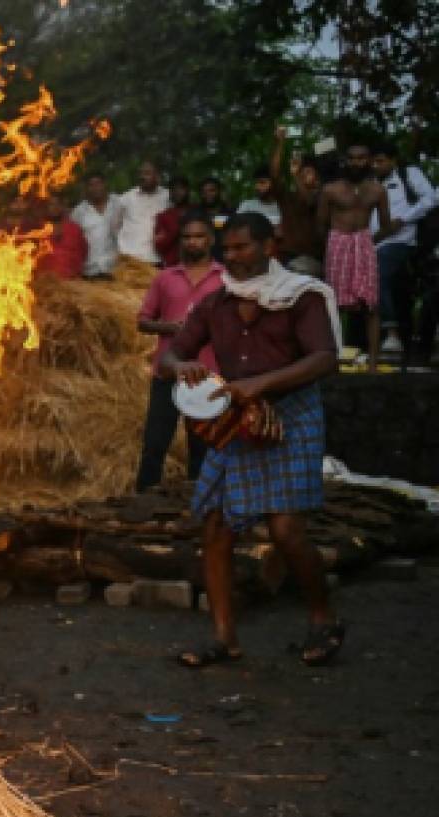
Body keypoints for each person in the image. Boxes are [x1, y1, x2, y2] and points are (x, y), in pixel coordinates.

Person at [162, 212, 343, 666]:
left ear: (269, 248)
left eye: (243, 247)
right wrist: (181, 367)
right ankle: (225, 639)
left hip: (291, 417)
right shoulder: (215, 304)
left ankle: (323, 619)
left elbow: (324, 359)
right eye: (229, 249)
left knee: (285, 529)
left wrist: (261, 386)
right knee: (217, 528)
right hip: (235, 419)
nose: (234, 256)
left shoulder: (301, 298)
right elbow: (172, 354)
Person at [134, 213, 223, 491]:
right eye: (187, 237)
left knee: (202, 447)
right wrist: (171, 327)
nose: (193, 242)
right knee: (154, 444)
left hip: (208, 374)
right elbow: (142, 320)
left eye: (199, 236)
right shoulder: (165, 278)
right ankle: (142, 503)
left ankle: (199, 505)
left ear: (210, 240)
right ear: (180, 242)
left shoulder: (225, 278)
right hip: (168, 372)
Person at [318, 143, 394, 363]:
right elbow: (320, 224)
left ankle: (372, 361)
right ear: (345, 161)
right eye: (351, 158)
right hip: (337, 244)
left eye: (361, 158)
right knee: (336, 303)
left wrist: (368, 241)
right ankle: (334, 360)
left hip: (363, 243)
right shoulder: (331, 190)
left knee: (371, 303)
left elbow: (386, 225)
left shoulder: (377, 190)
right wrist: (334, 244)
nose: (356, 163)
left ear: (369, 161)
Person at [371, 140, 436, 359]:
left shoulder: (409, 175)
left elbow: (431, 199)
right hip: (372, 242)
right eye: (373, 162)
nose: (376, 166)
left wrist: (402, 220)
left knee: (377, 273)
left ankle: (392, 335)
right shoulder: (369, 182)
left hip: (402, 240)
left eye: (380, 161)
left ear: (393, 161)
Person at [269, 129, 325, 276]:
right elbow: (274, 175)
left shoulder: (323, 196)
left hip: (312, 258)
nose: (303, 174)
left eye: (308, 172)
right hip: (287, 256)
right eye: (302, 172)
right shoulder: (288, 196)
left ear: (317, 178)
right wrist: (280, 143)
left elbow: (308, 202)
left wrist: (296, 176)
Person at [113, 161, 171, 267]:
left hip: (156, 260)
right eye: (141, 173)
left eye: (147, 173)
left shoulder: (168, 198)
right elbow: (115, 226)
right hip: (131, 260)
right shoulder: (126, 198)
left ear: (157, 176)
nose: (142, 177)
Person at [70, 175, 119, 278]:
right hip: (90, 272)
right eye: (91, 185)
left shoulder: (118, 203)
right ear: (86, 189)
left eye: (98, 184)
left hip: (115, 270)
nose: (95, 188)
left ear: (105, 184)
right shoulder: (78, 212)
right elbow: (74, 242)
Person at [36, 194, 88, 279]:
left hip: (72, 282)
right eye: (51, 204)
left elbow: (84, 252)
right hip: (45, 283)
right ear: (45, 208)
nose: (55, 207)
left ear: (62, 206)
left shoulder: (74, 229)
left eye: (58, 204)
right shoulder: (37, 231)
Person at [152, 177, 193, 266]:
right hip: (174, 268)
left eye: (180, 188)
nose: (177, 192)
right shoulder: (163, 217)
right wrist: (177, 229)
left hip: (198, 266)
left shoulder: (197, 211)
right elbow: (159, 245)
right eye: (173, 189)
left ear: (187, 190)